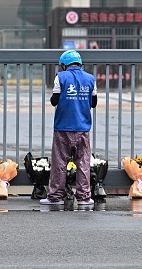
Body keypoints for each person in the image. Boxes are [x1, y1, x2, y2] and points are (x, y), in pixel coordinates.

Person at [40, 49, 97, 206]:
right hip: (83, 127)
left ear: (64, 65)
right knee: (83, 162)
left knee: (60, 162)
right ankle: (85, 197)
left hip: (63, 127)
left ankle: (55, 197)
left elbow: (54, 100)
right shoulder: (90, 79)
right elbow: (94, 103)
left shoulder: (61, 77)